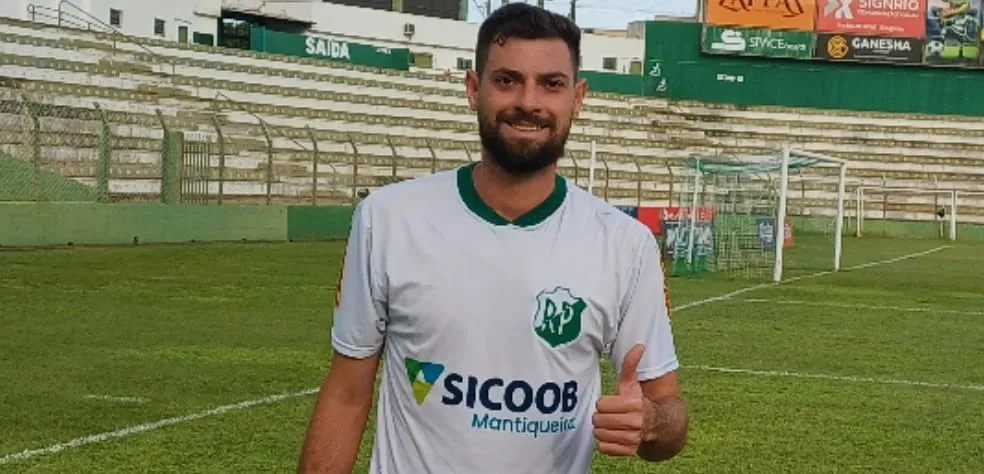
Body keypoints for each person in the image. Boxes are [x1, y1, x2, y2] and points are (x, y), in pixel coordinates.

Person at [296, 4, 687, 473]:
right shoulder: (389, 219)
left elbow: (669, 412)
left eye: (551, 83)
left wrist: (649, 422)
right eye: (507, 80)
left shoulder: (625, 244)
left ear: (578, 98)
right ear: (473, 89)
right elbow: (346, 394)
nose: (528, 101)